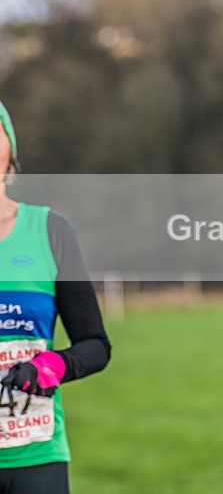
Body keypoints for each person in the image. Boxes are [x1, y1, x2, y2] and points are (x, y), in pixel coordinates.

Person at [0, 100, 111, 493]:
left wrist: (48, 367)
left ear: (9, 146)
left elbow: (95, 345)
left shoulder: (51, 231)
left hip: (38, 458)